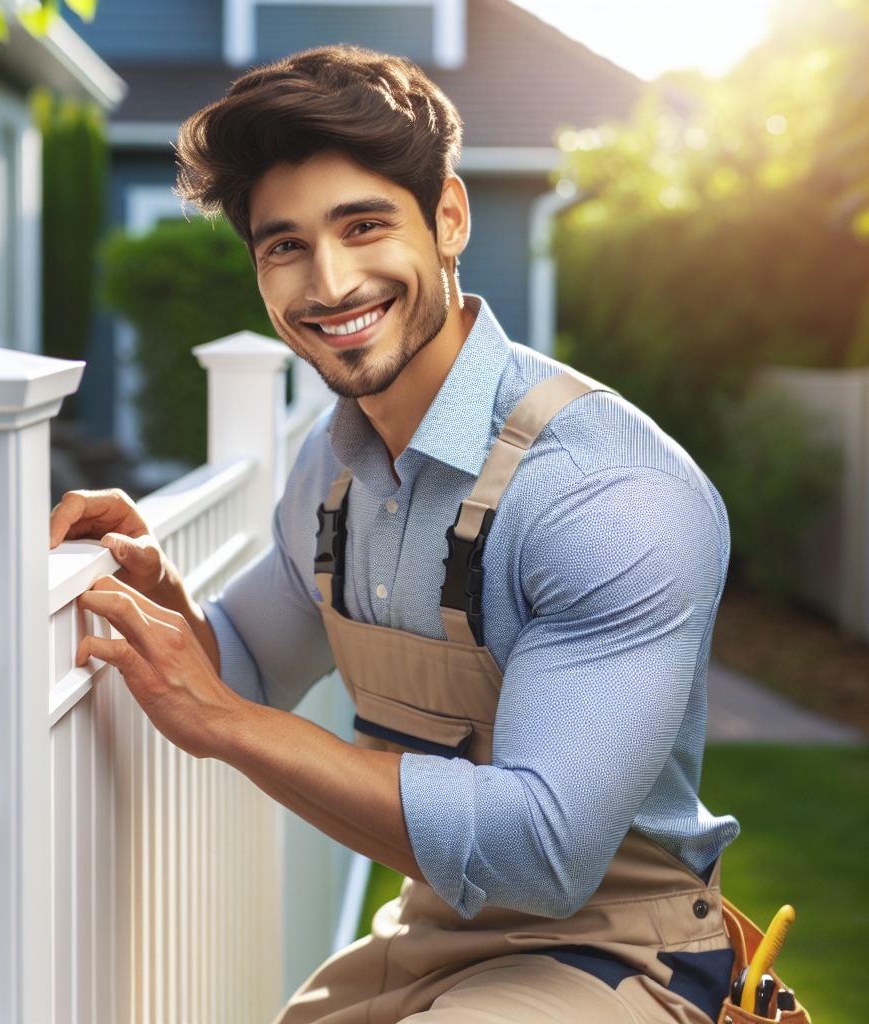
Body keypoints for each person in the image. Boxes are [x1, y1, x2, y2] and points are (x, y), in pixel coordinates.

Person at [51, 47, 741, 1024]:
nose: (327, 282)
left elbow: (544, 851)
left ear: (448, 217)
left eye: (363, 226)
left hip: (616, 949)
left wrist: (232, 725)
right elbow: (242, 664)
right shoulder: (330, 472)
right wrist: (153, 586)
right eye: (283, 245)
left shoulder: (601, 494)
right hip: (435, 931)